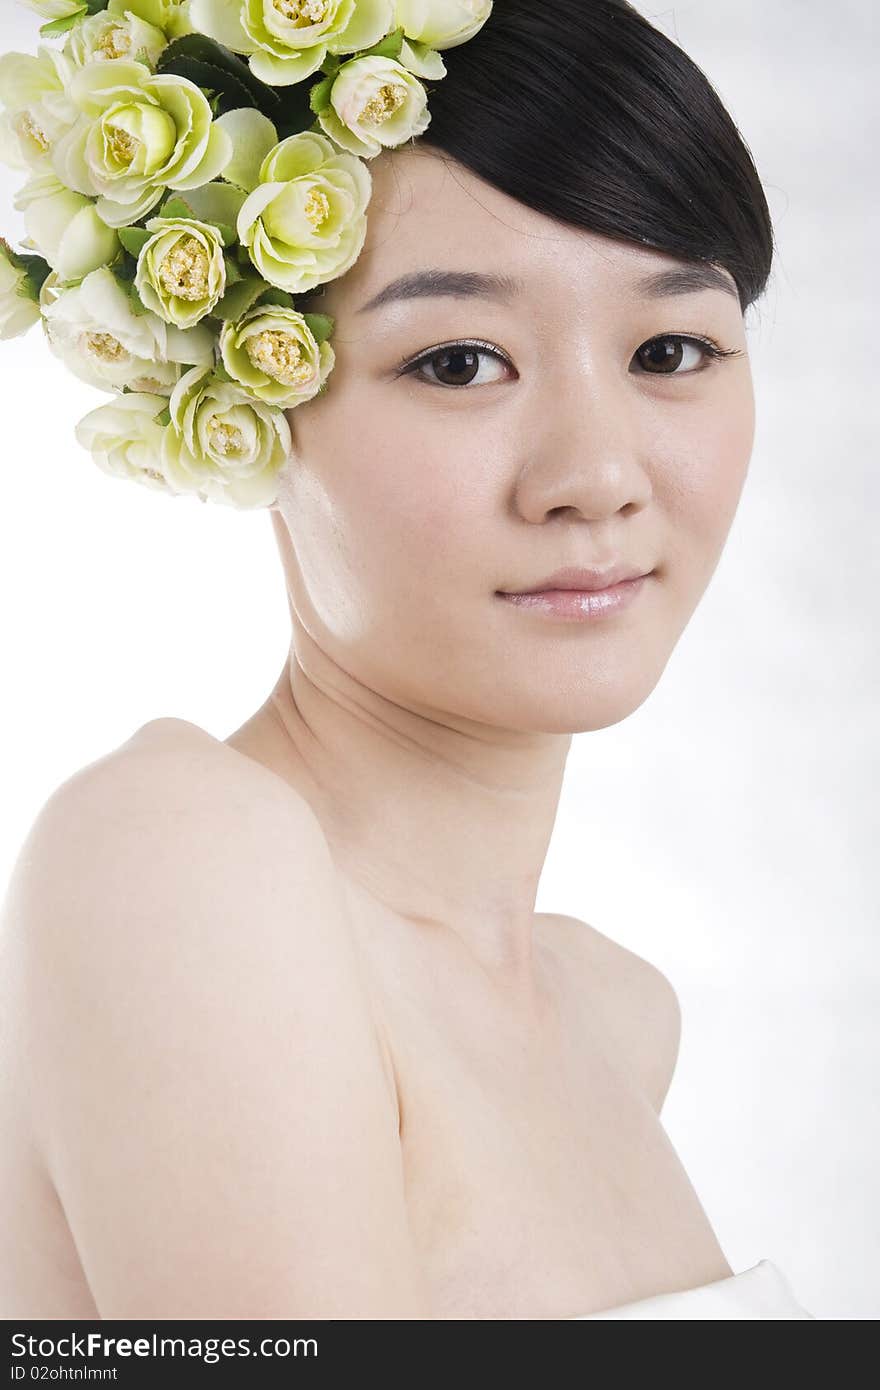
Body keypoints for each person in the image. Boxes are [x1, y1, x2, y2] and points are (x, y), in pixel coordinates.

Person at [0, 0, 815, 1319]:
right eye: (457, 359)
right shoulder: (179, 861)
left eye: (671, 349)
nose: (598, 476)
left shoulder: (615, 1016)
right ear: (245, 410)